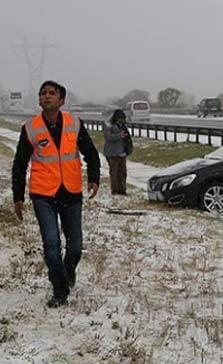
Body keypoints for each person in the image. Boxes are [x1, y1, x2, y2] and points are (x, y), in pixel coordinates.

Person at [11, 80, 100, 308]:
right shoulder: (30, 128)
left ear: (61, 100)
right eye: (43, 93)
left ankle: (68, 271)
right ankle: (59, 289)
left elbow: (90, 152)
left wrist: (94, 177)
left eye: (52, 93)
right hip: (43, 195)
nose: (47, 96)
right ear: (40, 100)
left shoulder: (74, 123)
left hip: (71, 193)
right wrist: (18, 197)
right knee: (51, 244)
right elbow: (19, 164)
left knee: (75, 246)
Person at [103, 109, 132, 195]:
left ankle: (122, 190)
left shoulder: (123, 125)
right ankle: (115, 190)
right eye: (120, 119)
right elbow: (108, 137)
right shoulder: (109, 125)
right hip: (112, 153)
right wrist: (119, 136)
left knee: (123, 173)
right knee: (114, 173)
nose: (122, 120)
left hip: (122, 152)